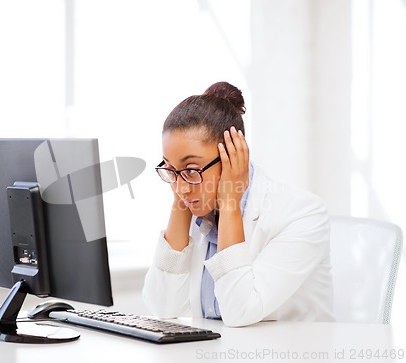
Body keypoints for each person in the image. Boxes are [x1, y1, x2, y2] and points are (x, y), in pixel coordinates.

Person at [142, 81, 334, 327]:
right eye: (170, 169)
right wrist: (180, 203)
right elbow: (163, 308)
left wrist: (230, 203)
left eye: (191, 169)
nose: (181, 187)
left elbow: (239, 312)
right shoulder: (195, 203)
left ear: (232, 157)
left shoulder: (302, 213)